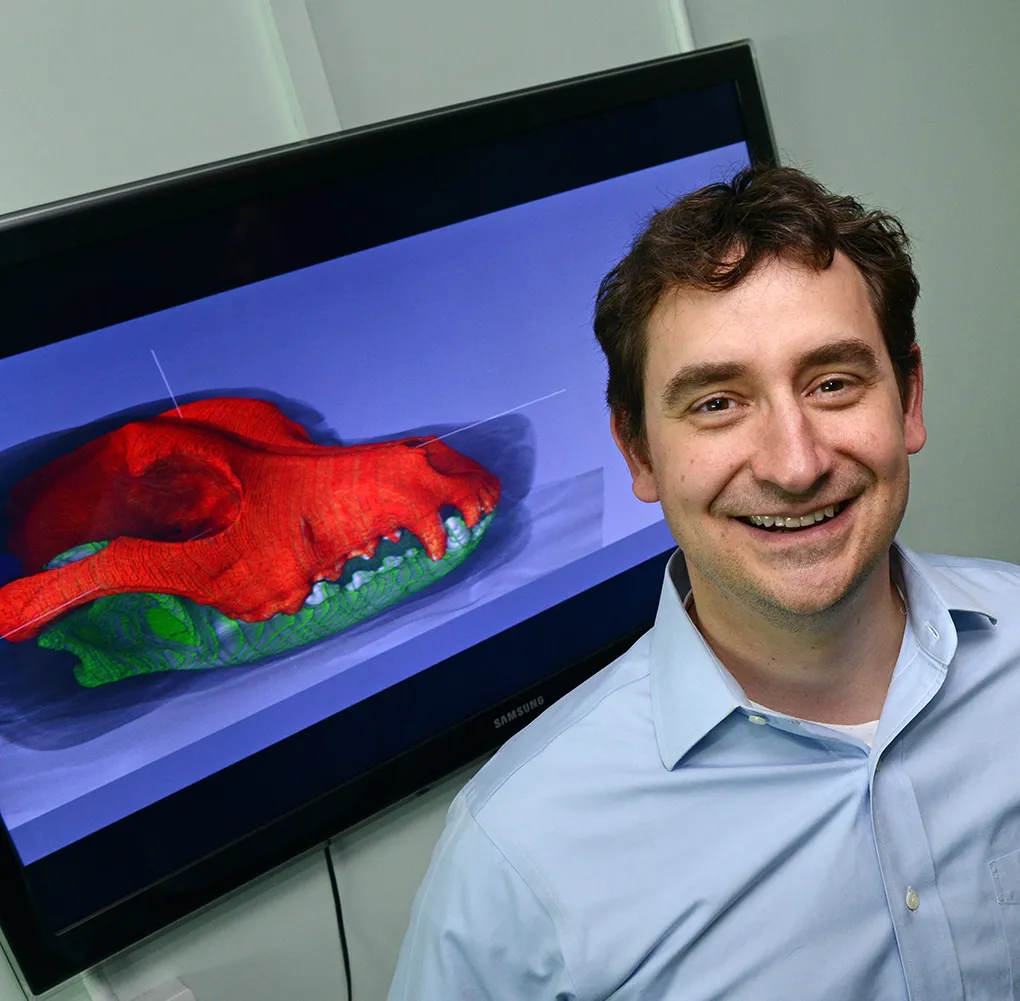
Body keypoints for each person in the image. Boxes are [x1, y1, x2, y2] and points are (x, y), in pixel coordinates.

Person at [386, 165, 1020, 999]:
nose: (796, 465)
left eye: (833, 383)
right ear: (639, 451)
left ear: (908, 399)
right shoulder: (515, 857)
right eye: (718, 403)